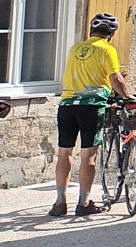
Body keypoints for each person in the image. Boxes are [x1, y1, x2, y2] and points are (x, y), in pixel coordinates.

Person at [51, 13, 129, 217]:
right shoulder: (107, 49)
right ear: (111, 34)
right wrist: (128, 97)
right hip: (91, 106)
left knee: (64, 153)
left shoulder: (75, 49)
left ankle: (60, 202)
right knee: (88, 155)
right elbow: (115, 77)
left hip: (67, 104)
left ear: (90, 31)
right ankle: (84, 203)